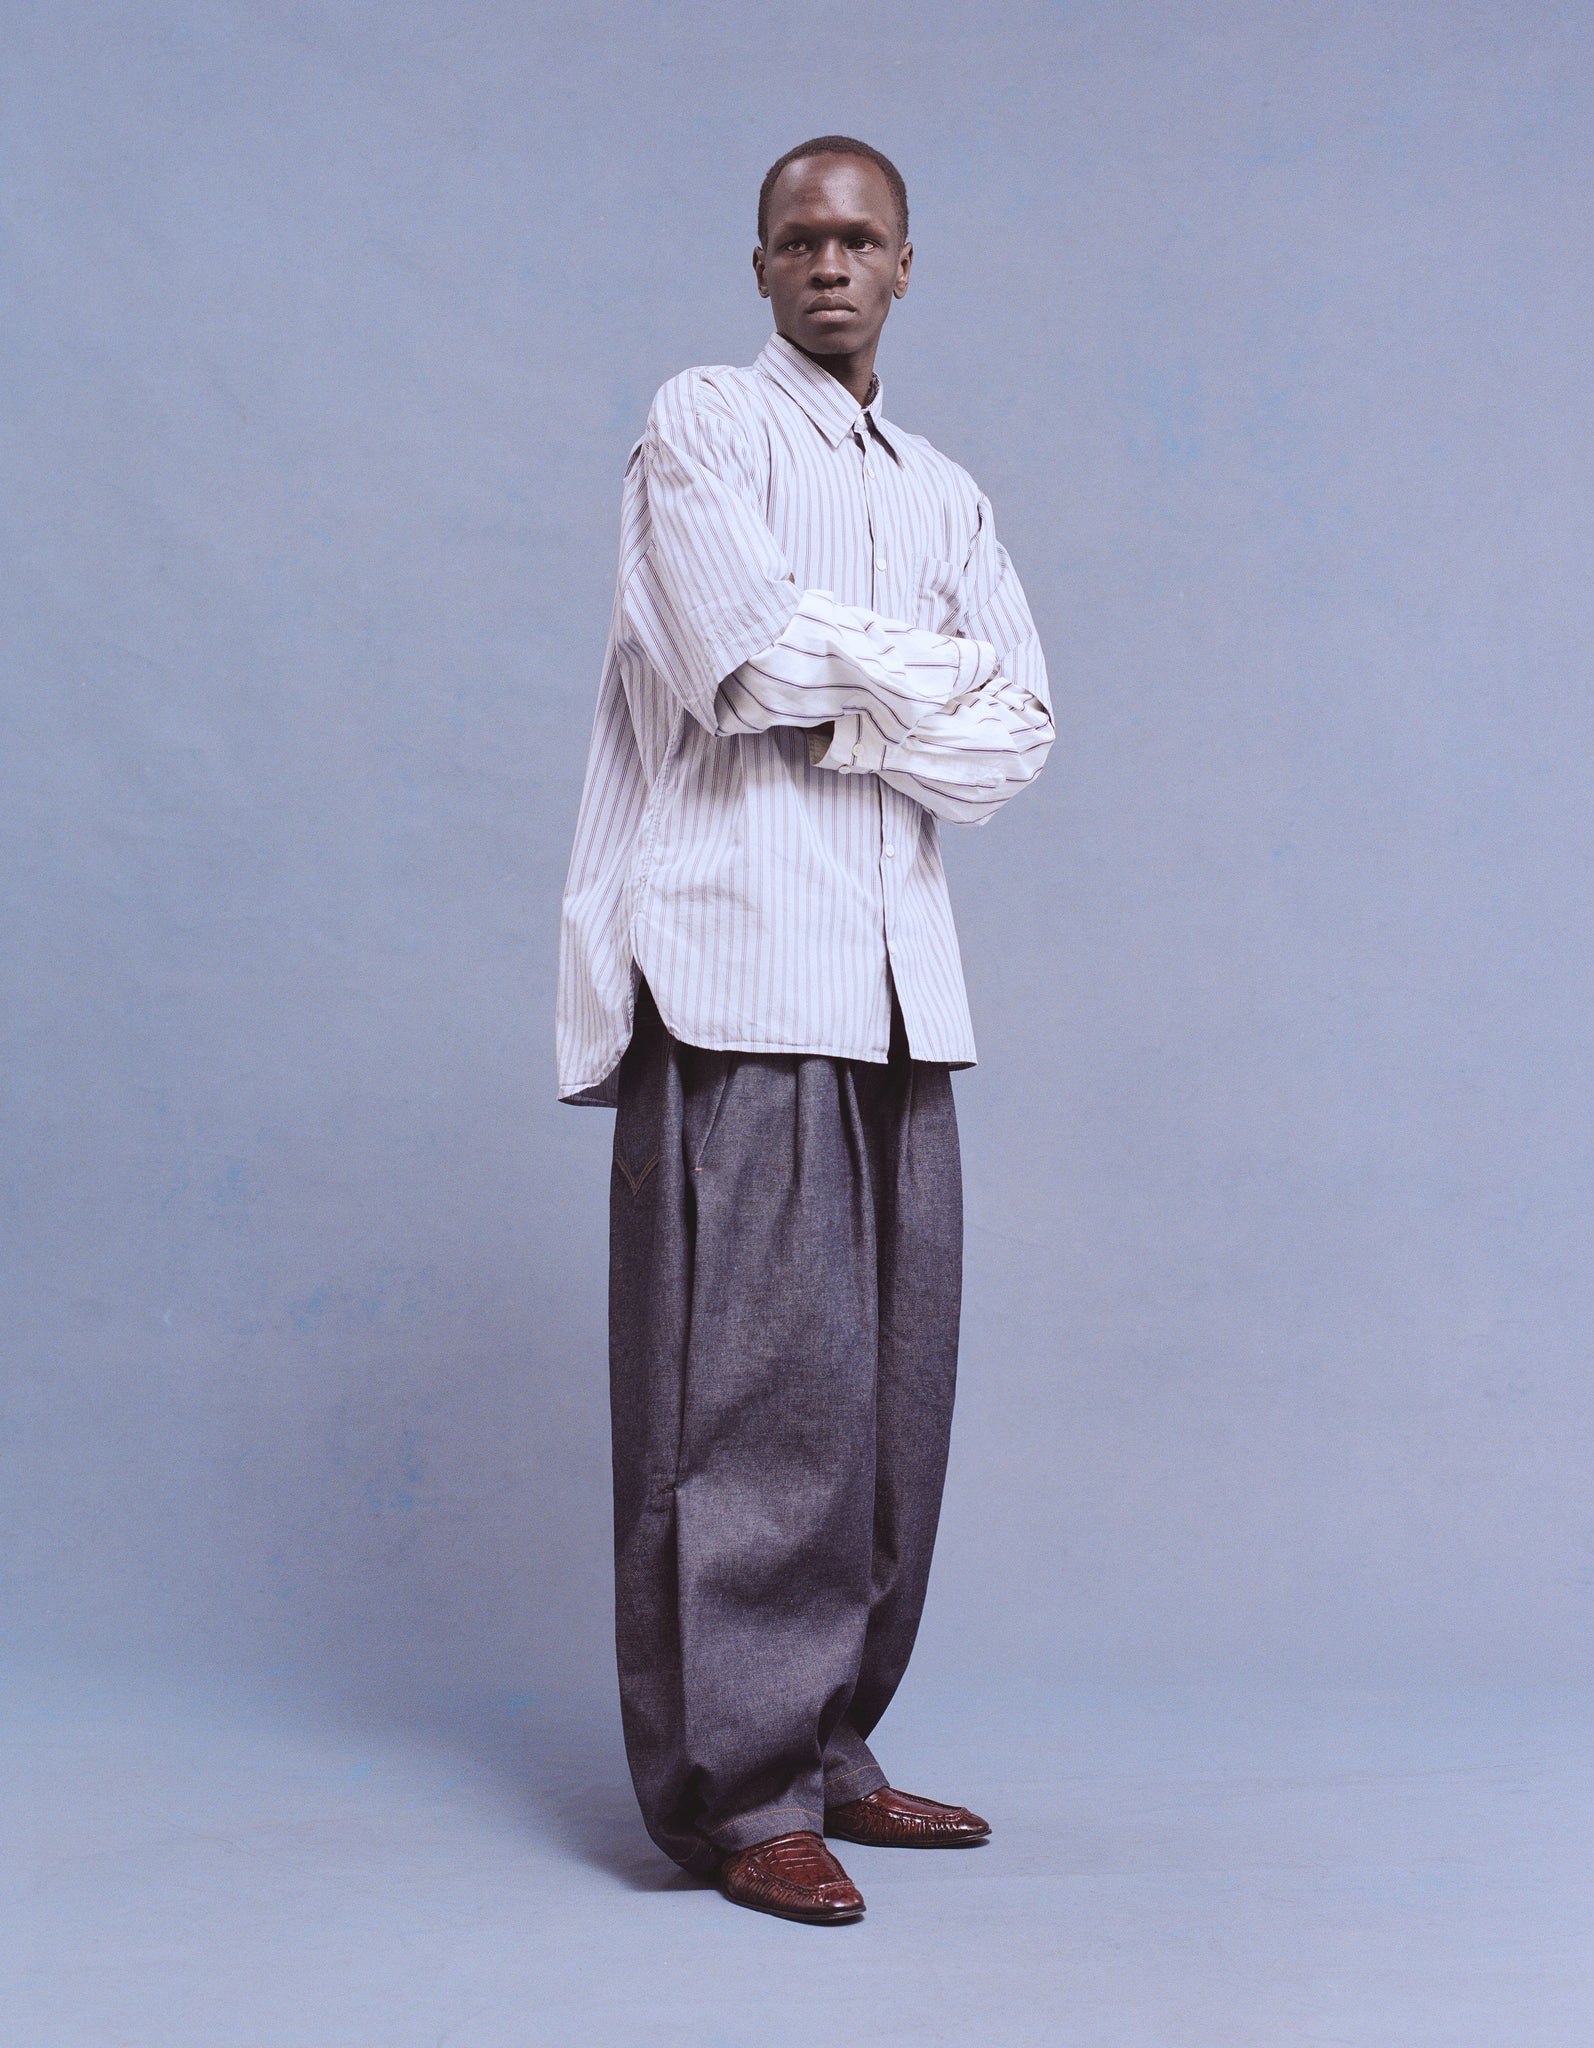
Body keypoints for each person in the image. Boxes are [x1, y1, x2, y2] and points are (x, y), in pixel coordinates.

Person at [556, 135, 1053, 1924]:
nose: (829, 263)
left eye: (859, 239)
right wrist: (913, 677)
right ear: (760, 266)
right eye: (798, 239)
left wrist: (850, 684)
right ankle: (737, 1794)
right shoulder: (701, 425)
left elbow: (1019, 735)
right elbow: (740, 662)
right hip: (738, 970)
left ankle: (833, 1747)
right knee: (749, 1407)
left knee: (889, 1408)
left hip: (901, 990)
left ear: (907, 265)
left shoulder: (948, 495)